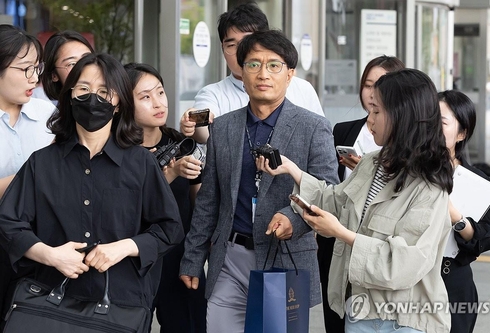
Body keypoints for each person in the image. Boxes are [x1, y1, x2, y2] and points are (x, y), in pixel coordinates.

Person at [258, 68, 454, 332]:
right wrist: (291, 168)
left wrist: (340, 233)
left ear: (402, 117)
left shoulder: (429, 186)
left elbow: (403, 266)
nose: (369, 120)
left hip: (406, 321)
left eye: (377, 111)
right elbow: (334, 201)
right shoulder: (373, 163)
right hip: (360, 312)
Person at [0, 53, 184, 320]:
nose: (92, 98)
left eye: (104, 91)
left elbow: (169, 228)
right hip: (48, 305)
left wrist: (124, 247)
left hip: (120, 306)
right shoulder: (42, 163)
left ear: (119, 103)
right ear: (70, 97)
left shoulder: (141, 163)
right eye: (84, 89)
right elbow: (8, 222)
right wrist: (51, 255)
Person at [179, 30, 339, 333]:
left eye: (274, 65)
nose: (263, 73)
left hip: (284, 257)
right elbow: (209, 199)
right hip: (229, 257)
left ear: (290, 74)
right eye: (253, 64)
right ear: (241, 71)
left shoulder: (313, 127)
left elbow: (327, 190)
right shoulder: (224, 127)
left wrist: (295, 219)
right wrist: (193, 256)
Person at [319, 55, 405, 332]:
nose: (371, 94)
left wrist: (367, 172)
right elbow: (330, 180)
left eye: (379, 85)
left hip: (376, 241)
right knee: (336, 313)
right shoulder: (344, 129)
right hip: (337, 231)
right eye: (368, 85)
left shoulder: (402, 138)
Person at [124, 62, 206, 333]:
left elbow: (198, 203)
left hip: (180, 257)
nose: (157, 103)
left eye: (160, 92)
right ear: (125, 102)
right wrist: (171, 172)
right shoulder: (119, 152)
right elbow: (128, 209)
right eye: (145, 97)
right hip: (135, 261)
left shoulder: (181, 142)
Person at [179, 2, 324, 144]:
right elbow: (206, 134)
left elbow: (320, 136)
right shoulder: (212, 94)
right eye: (231, 45)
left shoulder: (303, 89)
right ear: (222, 49)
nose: (239, 52)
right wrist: (193, 123)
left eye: (247, 43)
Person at [0, 24, 55, 321]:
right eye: (24, 69)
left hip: (43, 245)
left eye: (37, 67)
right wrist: (34, 176)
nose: (34, 78)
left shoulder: (46, 114)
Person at [438, 90, 490, 333]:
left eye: (441, 122)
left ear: (461, 133)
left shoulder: (478, 184)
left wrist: (457, 218)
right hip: (409, 281)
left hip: (452, 283)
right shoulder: (408, 172)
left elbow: (483, 240)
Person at [33, 30, 94, 104]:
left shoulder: (110, 103)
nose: (83, 67)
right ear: (54, 75)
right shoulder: (47, 112)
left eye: (87, 58)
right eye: (72, 64)